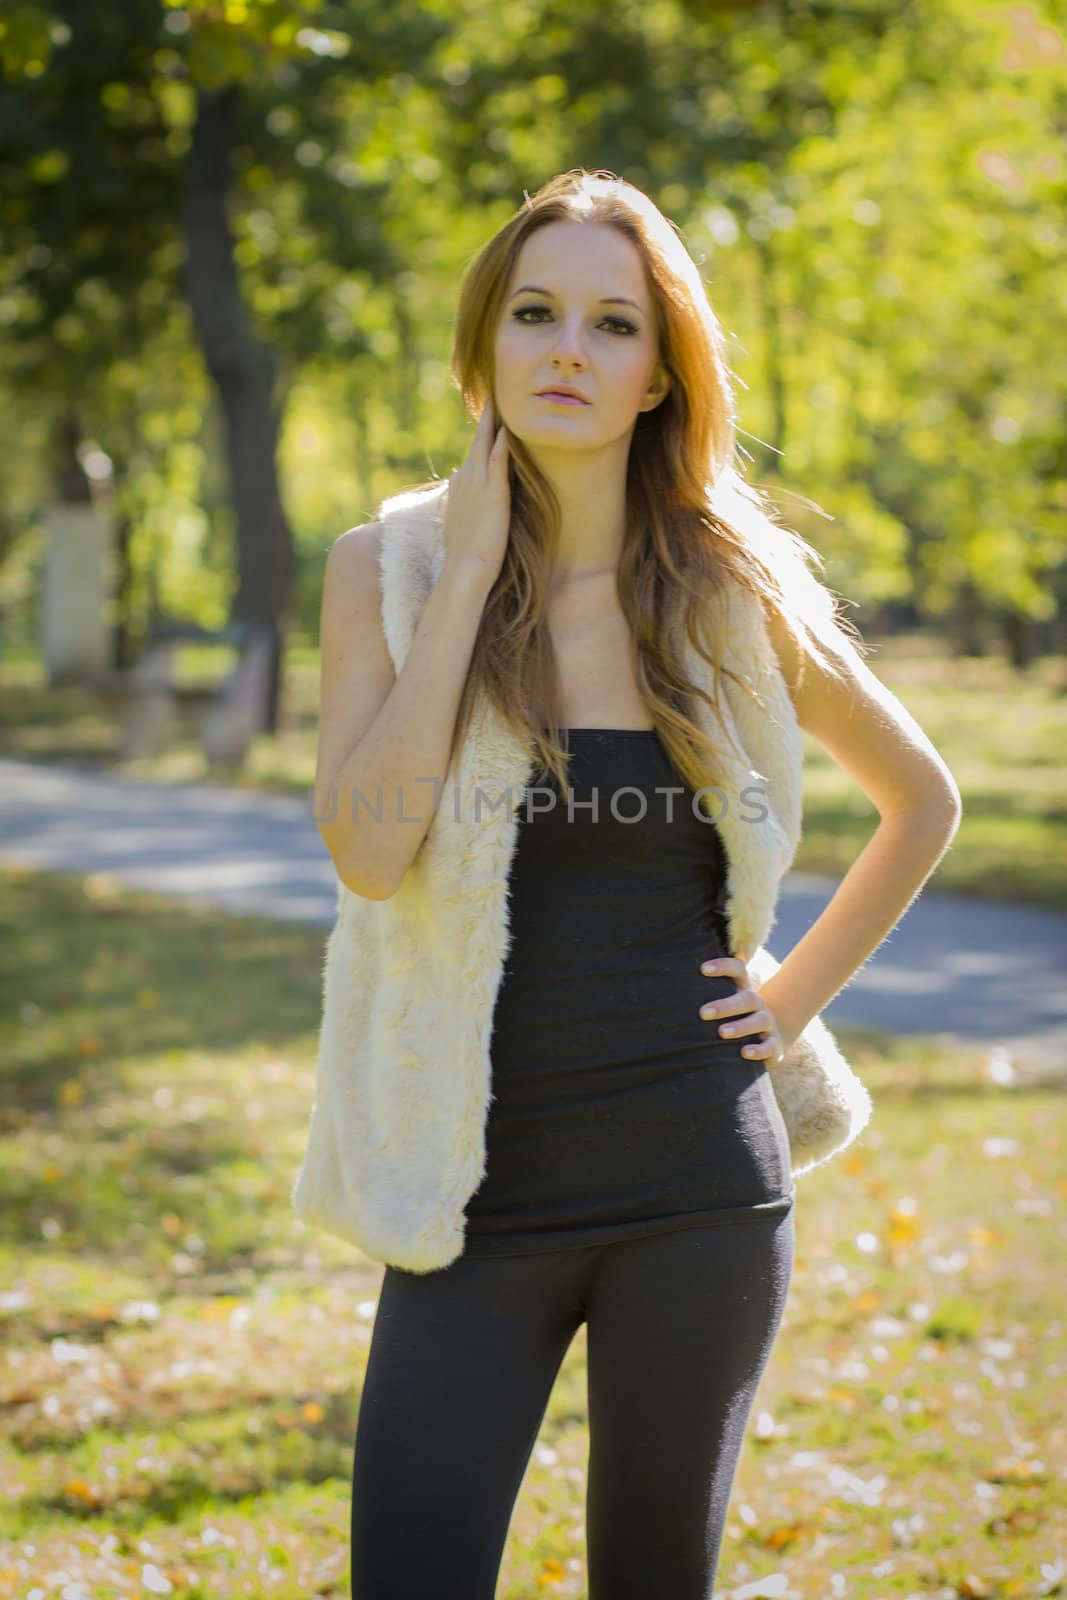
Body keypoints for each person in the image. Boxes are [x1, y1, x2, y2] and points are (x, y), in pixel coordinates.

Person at [312, 169, 961, 1598]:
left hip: (696, 1191)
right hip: (470, 1193)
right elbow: (367, 849)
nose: (566, 351)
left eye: (613, 326)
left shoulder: (734, 590)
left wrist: (788, 1002)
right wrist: (473, 575)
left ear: (662, 373)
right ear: (483, 349)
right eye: (536, 313)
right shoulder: (389, 571)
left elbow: (922, 800)